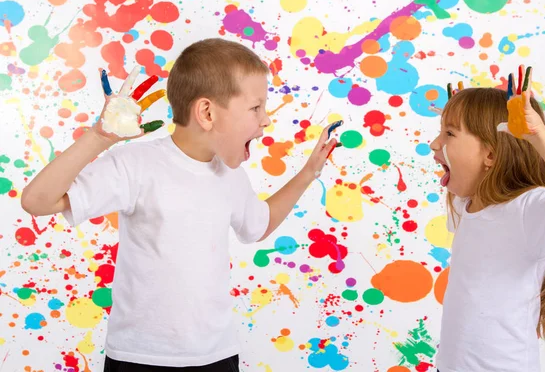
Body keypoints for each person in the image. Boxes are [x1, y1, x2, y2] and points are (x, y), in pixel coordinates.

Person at [21, 38, 339, 371]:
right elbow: (37, 201)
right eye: (256, 107)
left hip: (216, 356)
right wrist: (101, 137)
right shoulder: (136, 164)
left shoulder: (230, 176)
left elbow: (258, 225)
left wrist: (309, 172)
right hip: (138, 358)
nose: (266, 121)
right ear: (207, 112)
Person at [430, 67, 545, 372]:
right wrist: (457, 116)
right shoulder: (468, 203)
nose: (434, 144)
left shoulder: (528, 209)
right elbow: (468, 168)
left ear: (491, 156)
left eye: (449, 134)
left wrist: (539, 137)